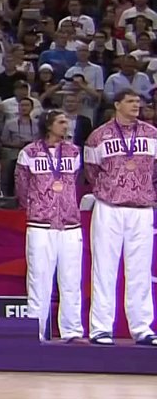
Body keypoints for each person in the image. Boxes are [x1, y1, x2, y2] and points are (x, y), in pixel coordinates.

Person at [82, 89, 157, 346]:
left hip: (142, 208)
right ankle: (101, 328)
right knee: (104, 267)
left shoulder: (152, 134)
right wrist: (111, 189)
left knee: (140, 269)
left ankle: (142, 327)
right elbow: (91, 171)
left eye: (138, 101)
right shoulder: (98, 136)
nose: (137, 105)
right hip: (109, 207)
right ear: (117, 105)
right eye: (131, 101)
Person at [15, 110, 85, 341]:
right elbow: (21, 186)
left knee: (71, 280)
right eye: (61, 122)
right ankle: (37, 331)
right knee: (39, 279)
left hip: (70, 224)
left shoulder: (74, 152)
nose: (66, 126)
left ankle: (72, 330)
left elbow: (75, 181)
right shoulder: (29, 153)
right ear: (48, 125)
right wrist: (38, 207)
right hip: (40, 225)